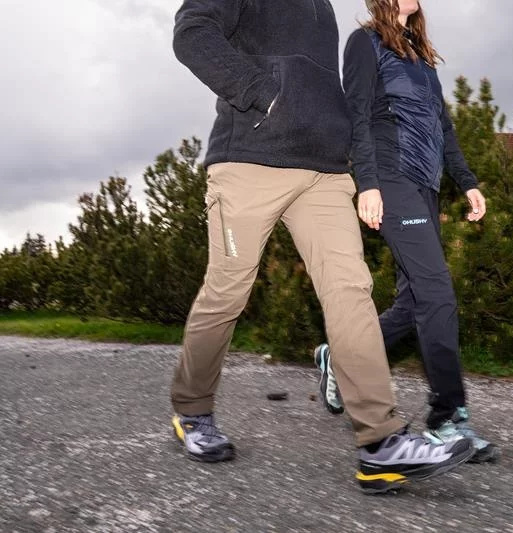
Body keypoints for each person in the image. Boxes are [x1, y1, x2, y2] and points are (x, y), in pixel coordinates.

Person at [168, 0, 474, 494]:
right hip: (250, 161)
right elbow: (192, 31)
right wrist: (261, 93)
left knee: (350, 290)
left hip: (325, 172)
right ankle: (193, 410)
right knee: (227, 292)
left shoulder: (324, 7)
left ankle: (380, 443)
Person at [314, 0, 498, 463]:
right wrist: (368, 183)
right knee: (437, 293)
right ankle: (446, 418)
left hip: (425, 183)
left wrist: (468, 181)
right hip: (390, 175)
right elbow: (356, 115)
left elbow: (443, 126)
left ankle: (341, 357)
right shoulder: (364, 42)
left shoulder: (420, 52)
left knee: (416, 299)